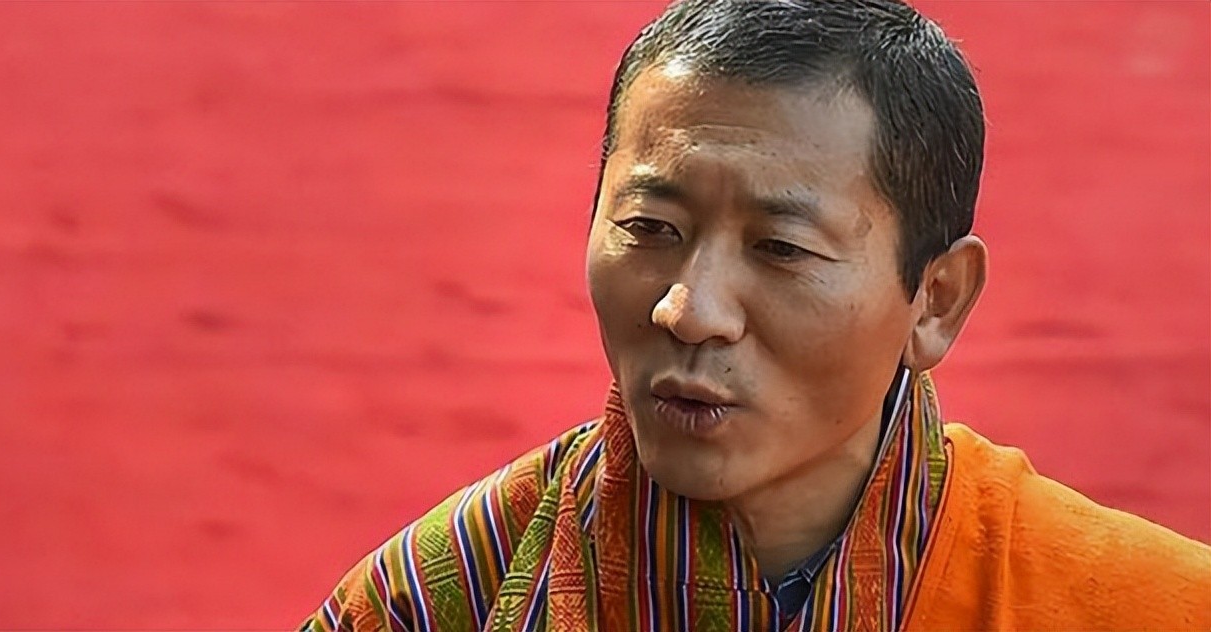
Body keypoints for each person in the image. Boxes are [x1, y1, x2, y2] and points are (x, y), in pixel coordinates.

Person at [302, 1, 1211, 630]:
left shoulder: (1147, 607)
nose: (689, 310)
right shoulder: (438, 601)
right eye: (649, 228)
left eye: (781, 247)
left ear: (935, 299)